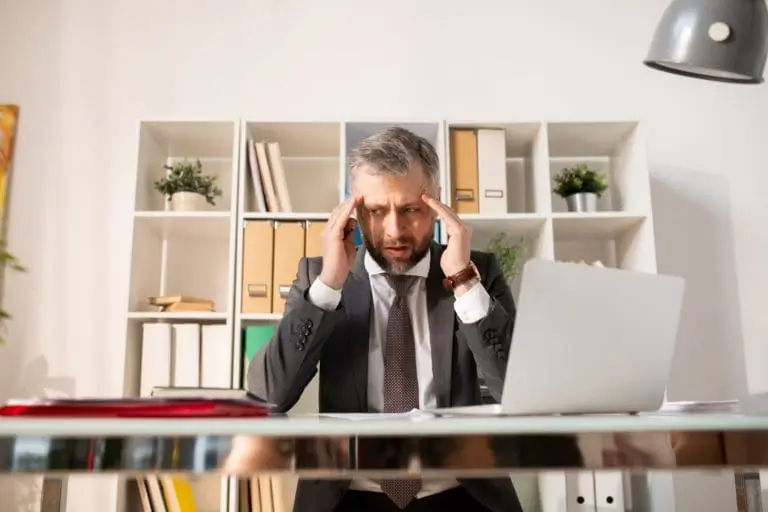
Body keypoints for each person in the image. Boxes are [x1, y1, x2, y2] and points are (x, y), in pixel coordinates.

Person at [248, 127, 522, 512]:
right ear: (354, 210)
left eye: (410, 209)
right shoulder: (319, 276)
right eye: (376, 211)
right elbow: (268, 397)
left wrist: (463, 282)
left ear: (437, 203)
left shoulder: (477, 270)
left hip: (459, 492)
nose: (394, 231)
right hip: (349, 496)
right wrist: (328, 285)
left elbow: (519, 393)